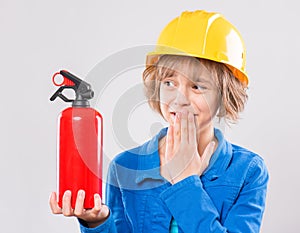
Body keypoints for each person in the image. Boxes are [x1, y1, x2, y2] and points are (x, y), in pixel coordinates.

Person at [50, 10, 269, 232]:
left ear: (225, 95)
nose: (180, 99)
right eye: (169, 83)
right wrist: (96, 221)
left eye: (197, 86)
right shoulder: (124, 167)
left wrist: (186, 182)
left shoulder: (248, 171)